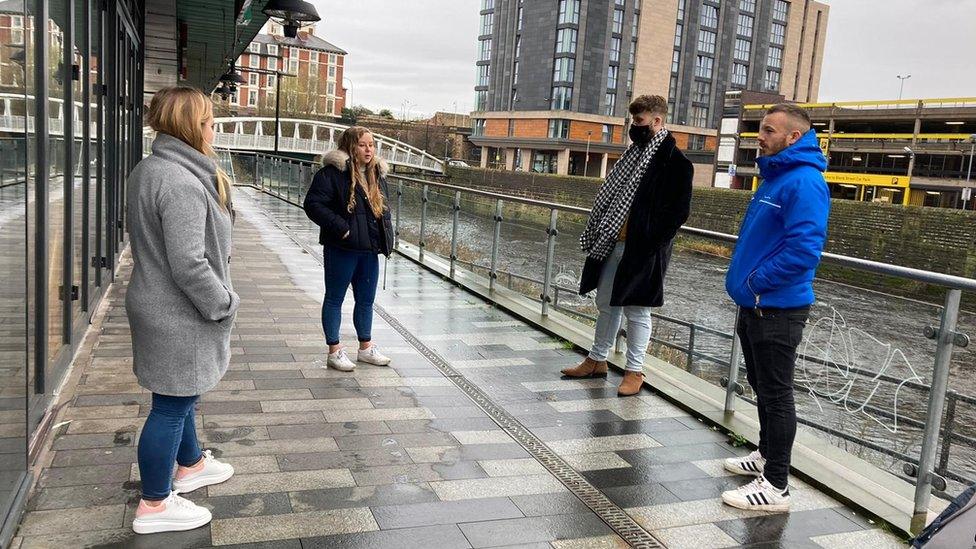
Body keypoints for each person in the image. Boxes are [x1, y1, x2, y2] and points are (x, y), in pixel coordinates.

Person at [125, 86, 238, 534]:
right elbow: (190, 263)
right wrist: (223, 304)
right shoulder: (181, 182)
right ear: (192, 125)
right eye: (209, 121)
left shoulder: (151, 168)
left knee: (182, 393)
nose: (214, 128)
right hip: (178, 311)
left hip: (157, 302)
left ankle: (189, 464)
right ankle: (155, 503)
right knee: (171, 405)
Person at [721, 103, 830, 512]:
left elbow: (804, 250)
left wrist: (755, 283)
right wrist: (749, 289)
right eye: (760, 129)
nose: (759, 136)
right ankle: (766, 456)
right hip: (757, 305)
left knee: (778, 394)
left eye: (768, 130)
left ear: (793, 137)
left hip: (777, 308)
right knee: (764, 387)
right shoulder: (775, 178)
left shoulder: (803, 182)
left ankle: (777, 486)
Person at [562, 95, 694, 396]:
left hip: (643, 249)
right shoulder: (631, 156)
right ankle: (597, 359)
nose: (634, 127)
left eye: (638, 122)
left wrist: (651, 241)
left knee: (637, 311)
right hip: (612, 242)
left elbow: (678, 212)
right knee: (606, 305)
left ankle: (635, 371)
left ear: (656, 121)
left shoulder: (676, 162)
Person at [304, 126, 395, 371]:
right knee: (335, 298)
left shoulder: (376, 173)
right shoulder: (332, 173)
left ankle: (365, 348)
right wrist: (341, 228)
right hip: (341, 248)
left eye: (372, 144)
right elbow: (313, 204)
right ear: (350, 146)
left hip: (369, 250)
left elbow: (382, 211)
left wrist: (386, 239)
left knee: (366, 300)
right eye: (363, 144)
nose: (369, 149)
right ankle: (334, 351)